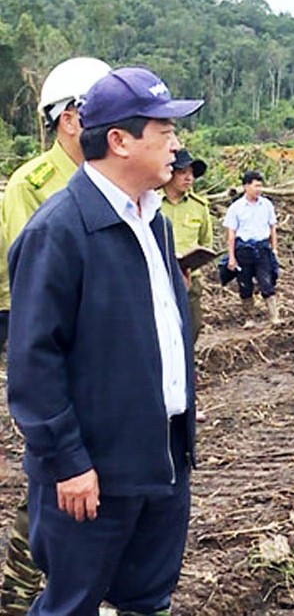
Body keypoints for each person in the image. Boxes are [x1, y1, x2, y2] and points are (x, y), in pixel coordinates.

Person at [6, 65, 201, 614]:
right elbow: (33, 364)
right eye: (164, 131)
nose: (176, 145)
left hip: (161, 455)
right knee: (72, 604)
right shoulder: (58, 231)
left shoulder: (154, 221)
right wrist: (68, 461)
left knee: (148, 600)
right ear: (119, 140)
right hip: (91, 471)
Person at [0, 56, 112, 615]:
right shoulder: (34, 185)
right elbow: (36, 288)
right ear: (70, 119)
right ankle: (21, 590)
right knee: (52, 466)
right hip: (51, 343)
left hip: (106, 347)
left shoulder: (118, 179)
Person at [160, 149, 212, 342]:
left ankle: (187, 369)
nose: (189, 178)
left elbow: (206, 241)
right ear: (170, 173)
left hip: (190, 279)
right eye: (183, 172)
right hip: (159, 278)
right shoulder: (150, 203)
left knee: (192, 328)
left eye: (192, 173)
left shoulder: (199, 206)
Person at [224, 170, 281, 325]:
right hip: (243, 249)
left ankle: (274, 316)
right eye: (255, 186)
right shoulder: (236, 208)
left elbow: (272, 228)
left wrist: (274, 249)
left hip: (262, 248)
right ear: (246, 186)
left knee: (267, 282)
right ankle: (249, 318)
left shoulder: (266, 204)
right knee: (245, 284)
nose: (258, 189)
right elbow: (231, 234)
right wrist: (231, 257)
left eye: (260, 186)